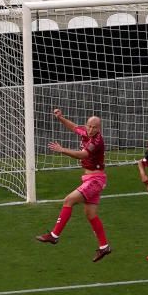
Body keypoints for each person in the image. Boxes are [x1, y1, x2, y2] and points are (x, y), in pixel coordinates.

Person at [35, 110, 111, 262]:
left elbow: (82, 155)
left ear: (99, 129)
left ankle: (54, 235)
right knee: (91, 215)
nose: (90, 130)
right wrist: (61, 118)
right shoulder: (85, 131)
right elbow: (74, 127)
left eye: (94, 127)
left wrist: (62, 150)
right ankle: (104, 247)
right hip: (91, 178)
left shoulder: (97, 141)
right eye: (89, 126)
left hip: (95, 180)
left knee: (68, 200)